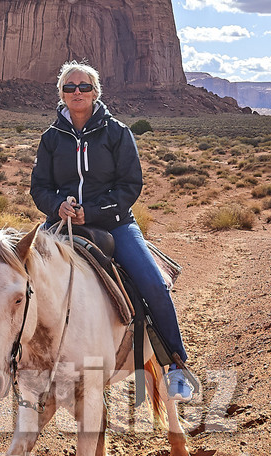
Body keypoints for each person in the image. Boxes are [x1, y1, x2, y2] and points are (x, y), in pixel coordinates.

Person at [28, 61, 194, 401]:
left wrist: (94, 210)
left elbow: (130, 185)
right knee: (21, 279)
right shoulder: (51, 138)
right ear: (61, 93)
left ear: (95, 92)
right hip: (61, 223)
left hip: (115, 223)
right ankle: (21, 360)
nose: (77, 92)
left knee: (152, 282)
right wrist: (57, 205)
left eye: (84, 86)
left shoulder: (117, 132)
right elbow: (39, 187)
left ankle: (177, 365)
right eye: (70, 87)